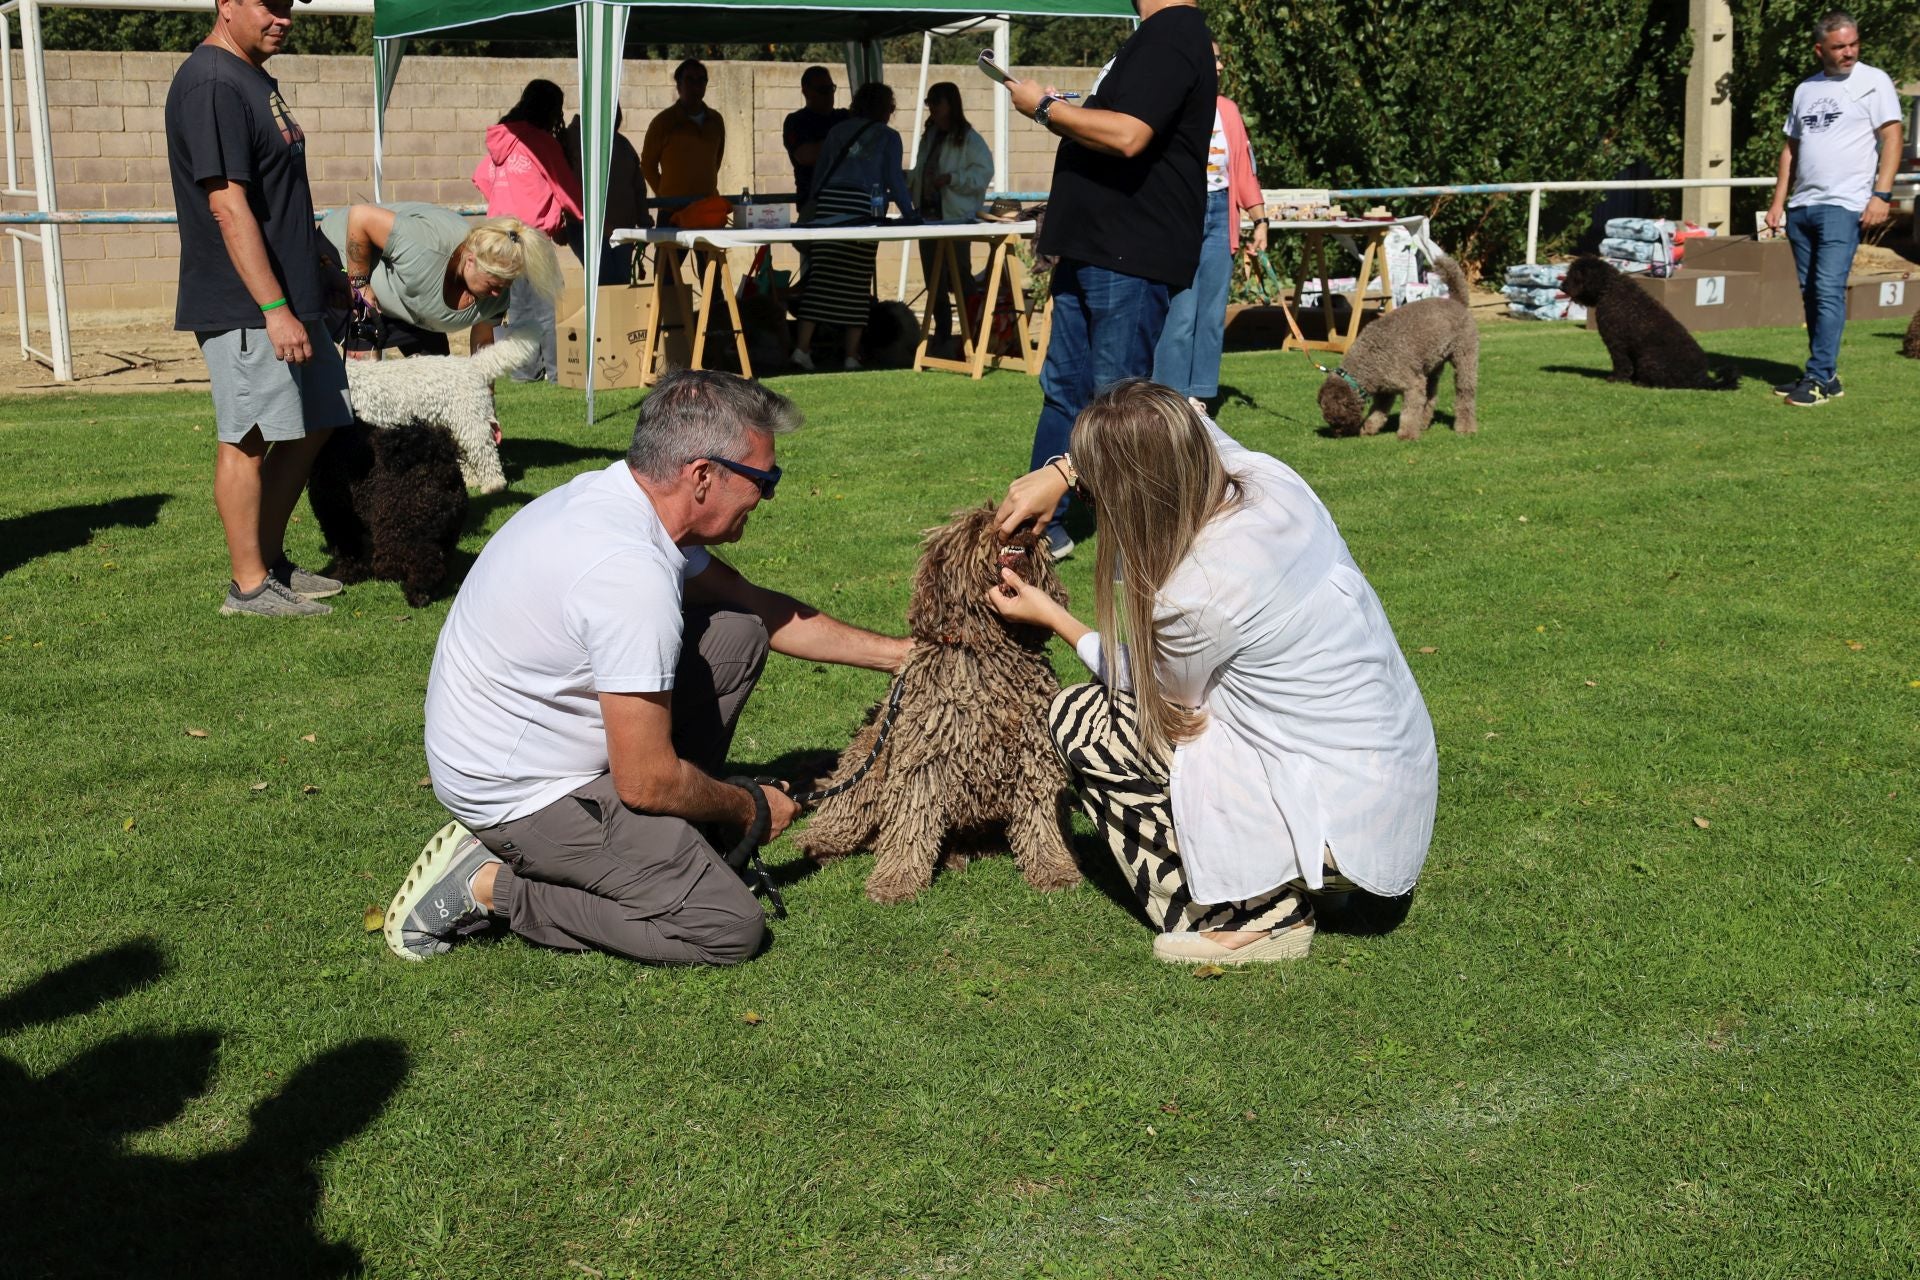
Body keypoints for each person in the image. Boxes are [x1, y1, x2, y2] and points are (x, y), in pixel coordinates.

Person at [388, 371, 913, 965]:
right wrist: (751, 808)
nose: (768, 496)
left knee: (737, 630)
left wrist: (902, 656)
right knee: (724, 926)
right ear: (702, 475)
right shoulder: (629, 574)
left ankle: (668, 842)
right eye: (764, 481)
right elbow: (646, 780)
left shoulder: (622, 499)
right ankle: (487, 884)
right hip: (519, 795)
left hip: (522, 749)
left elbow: (757, 607)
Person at [989, 380, 1437, 964]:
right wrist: (1066, 471)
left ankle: (1256, 913)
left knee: (1084, 720)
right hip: (1390, 787)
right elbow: (1189, 413)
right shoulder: (1270, 482)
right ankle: (1305, 876)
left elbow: (1152, 694)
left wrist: (1053, 617)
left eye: (1100, 493)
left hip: (1335, 816)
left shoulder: (1197, 592)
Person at [1001, 0, 1216, 559]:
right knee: (1065, 393)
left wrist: (1045, 108)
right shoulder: (1154, 36)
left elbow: (1127, 135)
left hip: (1127, 251)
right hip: (1095, 246)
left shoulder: (1173, 33)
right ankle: (1039, 528)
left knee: (1116, 407)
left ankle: (1138, 540)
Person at [165, 0, 351, 619]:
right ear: (225, 5)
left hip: (295, 293)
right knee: (246, 438)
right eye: (268, 6)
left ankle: (269, 563)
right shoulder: (213, 82)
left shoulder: (251, 75)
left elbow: (284, 194)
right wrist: (273, 306)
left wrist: (324, 270)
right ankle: (247, 587)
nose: (284, 17)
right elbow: (227, 205)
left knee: (317, 419)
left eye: (289, 5)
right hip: (247, 303)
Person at [1764, 10, 1903, 408]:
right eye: (1840, 46)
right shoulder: (1806, 89)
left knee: (1827, 289)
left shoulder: (1873, 81)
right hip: (1802, 206)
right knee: (1810, 293)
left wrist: (1882, 195)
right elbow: (1791, 148)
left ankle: (1819, 377)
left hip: (1844, 205)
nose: (1849, 52)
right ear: (1819, 49)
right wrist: (1778, 203)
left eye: (1853, 44)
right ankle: (1825, 375)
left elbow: (1892, 138)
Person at [1152, 41, 1269, 411]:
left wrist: (1259, 218)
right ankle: (1170, 399)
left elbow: (1244, 169)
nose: (1219, 65)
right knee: (1182, 313)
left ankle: (1200, 396)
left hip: (1221, 213)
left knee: (1212, 313)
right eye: (1213, 58)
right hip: (1181, 212)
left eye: (1220, 58)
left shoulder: (1229, 111)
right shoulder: (1170, 104)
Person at [318, 204, 562, 358]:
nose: (499, 294)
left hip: (410, 297)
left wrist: (486, 404)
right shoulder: (425, 245)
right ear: (470, 261)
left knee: (440, 382)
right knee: (365, 371)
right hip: (343, 254)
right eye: (493, 284)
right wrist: (359, 283)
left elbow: (483, 344)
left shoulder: (496, 298)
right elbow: (360, 217)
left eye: (505, 285)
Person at [791, 82, 918, 372]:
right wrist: (910, 213)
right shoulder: (888, 137)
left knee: (820, 280)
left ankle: (801, 349)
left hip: (829, 208)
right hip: (863, 210)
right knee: (856, 283)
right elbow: (894, 180)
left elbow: (820, 172)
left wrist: (817, 209)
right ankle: (851, 356)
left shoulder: (837, 131)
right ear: (885, 108)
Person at [473, 78, 582, 382]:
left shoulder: (502, 139)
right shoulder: (542, 142)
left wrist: (506, 202)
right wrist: (583, 217)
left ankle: (524, 373)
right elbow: (566, 189)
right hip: (530, 236)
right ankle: (559, 374)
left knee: (517, 309)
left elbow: (482, 177)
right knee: (547, 309)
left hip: (498, 236)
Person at [909, 81, 995, 348]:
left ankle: (972, 331)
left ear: (951, 104)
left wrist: (951, 178)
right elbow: (920, 170)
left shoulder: (968, 138)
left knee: (960, 275)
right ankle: (943, 333)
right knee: (932, 280)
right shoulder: (930, 135)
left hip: (956, 218)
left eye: (937, 102)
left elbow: (983, 174)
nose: (932, 108)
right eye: (930, 103)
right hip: (927, 218)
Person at [564, 106, 651, 286]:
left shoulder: (622, 144)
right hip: (586, 229)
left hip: (622, 231)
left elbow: (638, 186)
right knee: (605, 284)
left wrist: (643, 219)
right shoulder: (570, 140)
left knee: (621, 285)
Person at [642, 59, 725, 203]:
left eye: (701, 79)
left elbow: (716, 161)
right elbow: (647, 165)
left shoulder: (716, 120)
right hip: (672, 211)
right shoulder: (663, 122)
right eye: (690, 79)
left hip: (707, 207)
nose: (696, 84)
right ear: (679, 85)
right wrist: (665, 197)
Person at [783, 65, 848, 201]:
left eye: (831, 89)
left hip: (847, 200)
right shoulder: (796, 121)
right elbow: (806, 156)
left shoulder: (844, 117)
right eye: (823, 90)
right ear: (806, 92)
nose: (829, 95)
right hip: (814, 202)